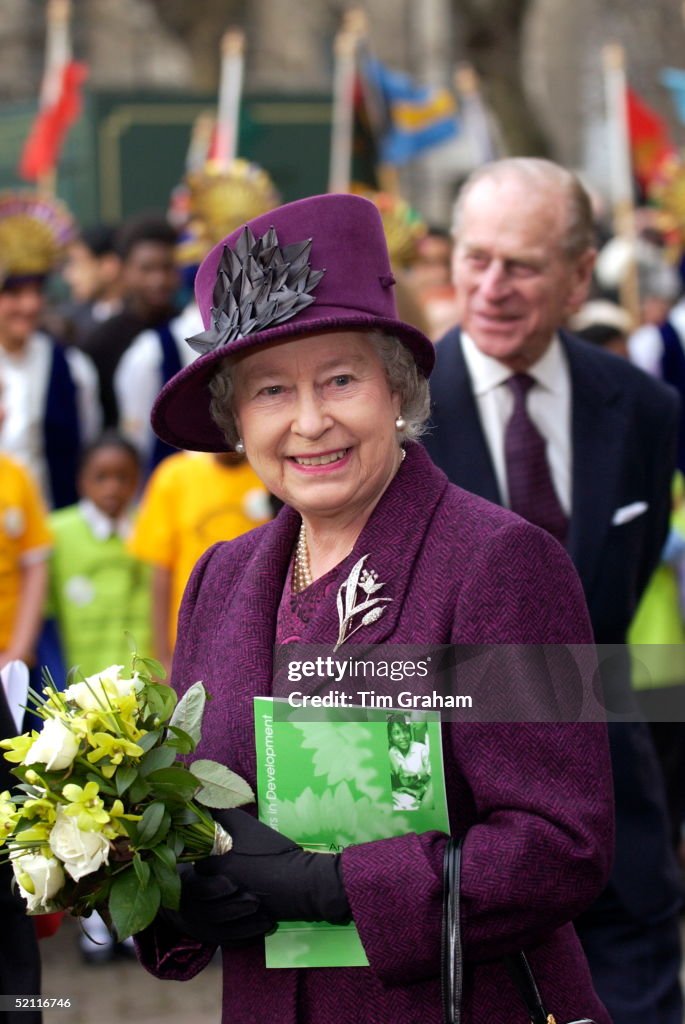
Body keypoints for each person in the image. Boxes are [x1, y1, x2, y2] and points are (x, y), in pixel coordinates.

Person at [134, 192, 614, 1023]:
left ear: (398, 391)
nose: (310, 421)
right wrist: (180, 895)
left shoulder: (502, 562)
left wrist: (336, 887)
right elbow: (190, 802)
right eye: (271, 391)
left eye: (341, 379)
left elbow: (561, 847)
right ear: (237, 425)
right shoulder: (219, 575)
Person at [423, 157, 684, 1024]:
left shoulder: (642, 409)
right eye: (475, 258)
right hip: (449, 837)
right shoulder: (391, 416)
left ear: (579, 275)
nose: (491, 287)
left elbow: (608, 605)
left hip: (618, 814)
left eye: (523, 265)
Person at [128, 449, 270, 674]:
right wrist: (163, 657)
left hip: (259, 637)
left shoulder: (272, 473)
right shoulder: (175, 475)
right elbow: (161, 572)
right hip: (190, 640)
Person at [0, 192, 101, 509]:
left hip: (51, 525)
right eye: (14, 294)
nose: (29, 305)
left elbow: (87, 445)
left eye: (36, 291)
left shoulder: (72, 367)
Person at [82, 214, 181, 428]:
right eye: (146, 269)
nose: (159, 280)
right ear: (124, 270)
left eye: (167, 268)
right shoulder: (101, 342)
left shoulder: (188, 330)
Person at [386, 713, 431, 810]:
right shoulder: (391, 753)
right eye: (397, 733)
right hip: (406, 795)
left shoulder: (421, 749)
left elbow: (434, 778)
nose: (403, 736)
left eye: (405, 731)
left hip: (425, 793)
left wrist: (420, 787)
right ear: (390, 738)